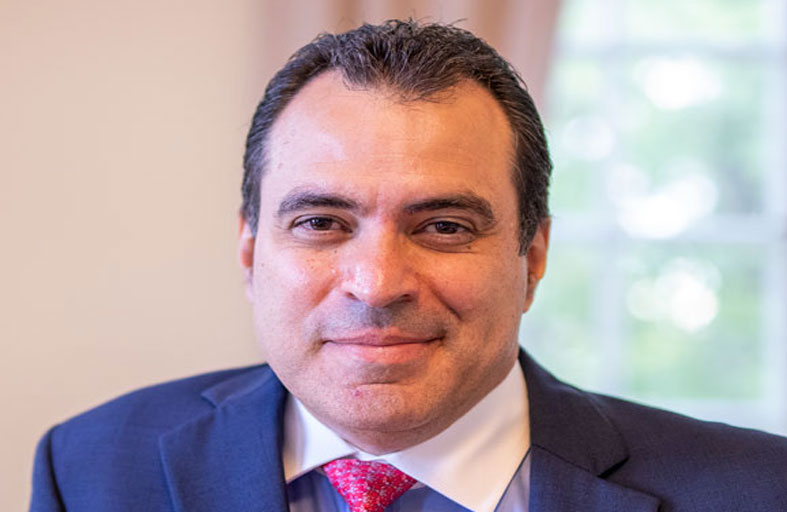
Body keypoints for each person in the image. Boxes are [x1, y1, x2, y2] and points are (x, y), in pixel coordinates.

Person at [30, 19, 786, 512]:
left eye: (444, 227)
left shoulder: (757, 491)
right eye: (321, 223)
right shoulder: (92, 471)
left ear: (532, 256)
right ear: (251, 251)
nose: (378, 283)